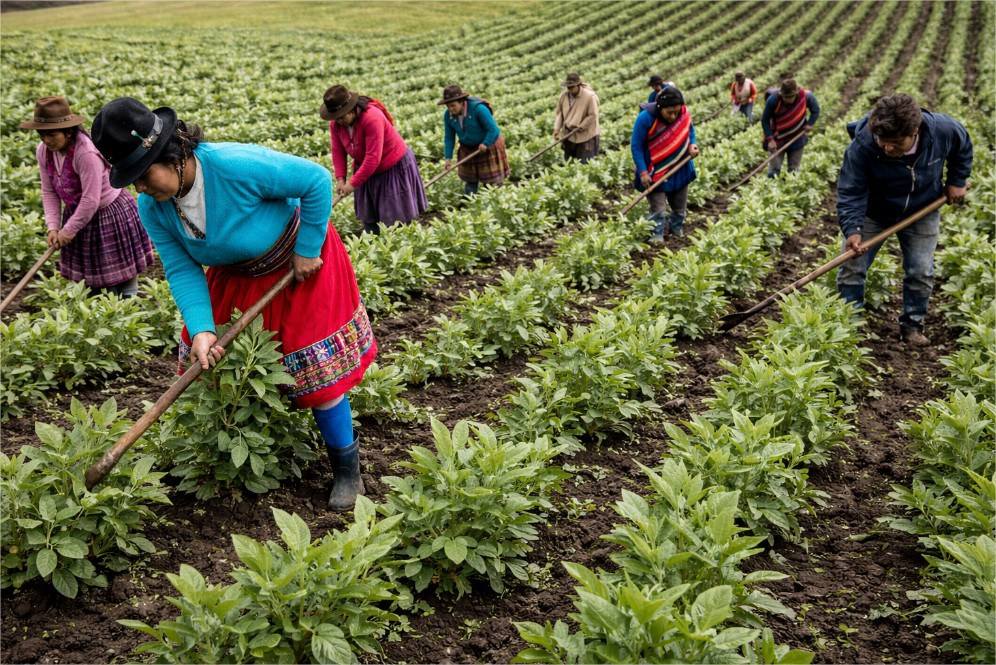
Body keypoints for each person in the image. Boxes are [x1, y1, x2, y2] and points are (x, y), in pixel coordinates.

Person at [91, 97, 377, 511]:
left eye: (142, 174)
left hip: (299, 264)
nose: (140, 187)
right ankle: (248, 449)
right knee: (213, 361)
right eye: (131, 179)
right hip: (237, 271)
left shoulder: (233, 165)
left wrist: (308, 247)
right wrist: (203, 329)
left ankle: (348, 470)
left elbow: (315, 180)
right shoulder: (152, 207)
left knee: (314, 368)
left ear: (172, 156)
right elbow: (181, 269)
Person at [836, 93, 972, 346]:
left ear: (915, 131)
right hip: (874, 212)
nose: (887, 148)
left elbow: (962, 147)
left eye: (895, 142)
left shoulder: (943, 130)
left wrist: (957, 180)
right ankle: (847, 328)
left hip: (924, 207)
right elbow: (851, 189)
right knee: (852, 268)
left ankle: (912, 326)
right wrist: (852, 228)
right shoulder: (863, 145)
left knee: (920, 271)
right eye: (882, 141)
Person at [19, 96, 154, 297]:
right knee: (94, 280)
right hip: (79, 215)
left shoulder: (86, 153)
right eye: (42, 135)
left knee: (122, 275)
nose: (47, 140)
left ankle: (128, 306)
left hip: (108, 214)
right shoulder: (44, 152)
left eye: (52, 135)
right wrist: (53, 227)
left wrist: (68, 231)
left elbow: (91, 199)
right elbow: (49, 192)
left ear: (68, 131)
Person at [320, 84, 428, 235]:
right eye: (336, 118)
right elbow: (338, 151)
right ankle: (373, 241)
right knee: (369, 215)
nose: (339, 122)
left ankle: (399, 243)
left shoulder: (372, 117)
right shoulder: (336, 124)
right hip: (365, 169)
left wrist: (352, 184)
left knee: (394, 216)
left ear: (351, 110)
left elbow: (373, 158)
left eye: (342, 117)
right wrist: (340, 178)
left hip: (391, 166)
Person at [630, 85, 700, 242]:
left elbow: (690, 130)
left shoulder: (683, 113)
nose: (673, 116)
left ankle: (676, 231)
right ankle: (657, 235)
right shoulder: (646, 118)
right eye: (669, 113)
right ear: (660, 108)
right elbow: (636, 146)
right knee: (658, 209)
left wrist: (692, 144)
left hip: (680, 166)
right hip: (654, 169)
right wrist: (643, 172)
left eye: (676, 111)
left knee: (679, 206)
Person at [439, 84, 509, 197]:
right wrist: (448, 157)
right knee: (470, 179)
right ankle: (470, 202)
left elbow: (493, 130)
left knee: (490, 181)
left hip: (488, 144)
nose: (450, 109)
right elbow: (449, 137)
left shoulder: (479, 109)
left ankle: (496, 199)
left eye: (453, 105)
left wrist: (485, 143)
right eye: (448, 106)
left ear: (461, 101)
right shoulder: (448, 115)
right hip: (468, 147)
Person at [760, 78, 820, 177]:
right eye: (785, 97)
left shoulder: (806, 96)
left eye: (790, 97)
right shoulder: (773, 100)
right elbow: (765, 120)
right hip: (777, 137)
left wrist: (810, 124)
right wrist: (770, 139)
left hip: (797, 136)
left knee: (794, 169)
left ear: (796, 94)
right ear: (781, 95)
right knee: (774, 170)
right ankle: (771, 188)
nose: (788, 99)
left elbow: (816, 110)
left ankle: (791, 188)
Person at [553, 72, 600, 164]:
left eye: (572, 87)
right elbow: (560, 114)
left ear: (578, 85)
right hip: (569, 135)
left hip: (586, 135)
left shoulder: (589, 96)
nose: (569, 90)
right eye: (568, 87)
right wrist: (557, 128)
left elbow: (592, 115)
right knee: (569, 161)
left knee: (585, 163)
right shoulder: (564, 96)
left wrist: (581, 127)